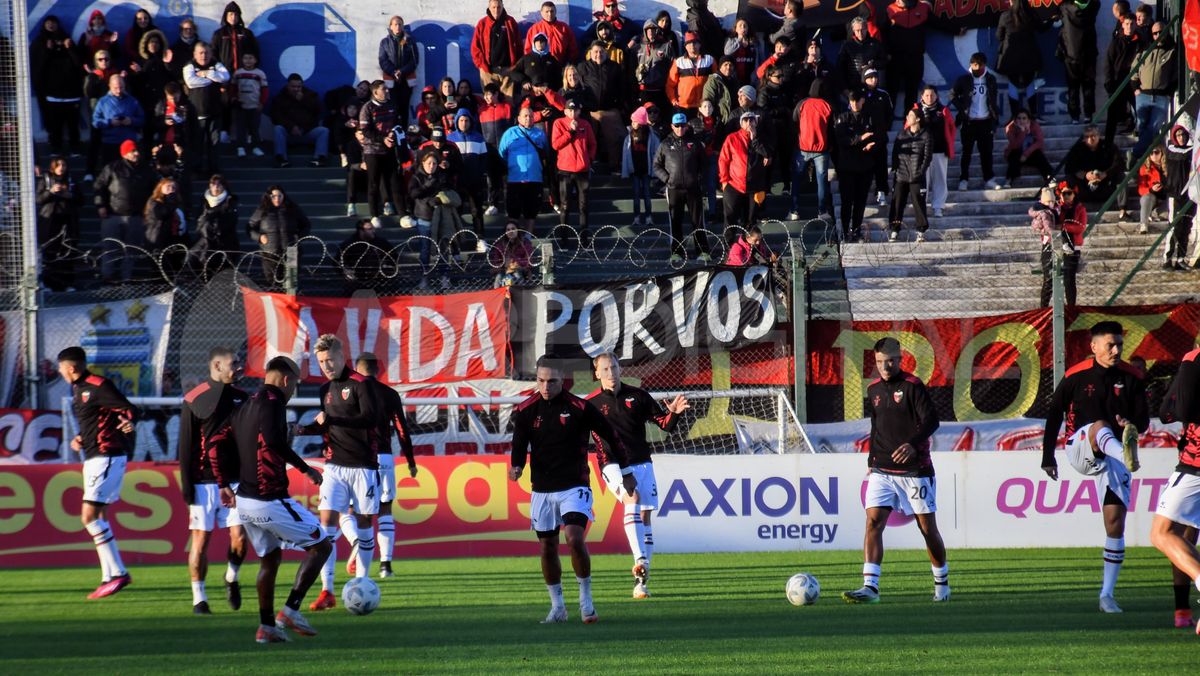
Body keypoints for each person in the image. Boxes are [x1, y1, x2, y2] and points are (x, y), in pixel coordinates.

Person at [508, 354, 634, 624]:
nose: (545, 386)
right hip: (541, 489)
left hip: (574, 485)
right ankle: (558, 607)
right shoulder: (526, 410)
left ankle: (586, 600)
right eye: (541, 381)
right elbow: (518, 444)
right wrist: (516, 466)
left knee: (574, 538)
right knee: (547, 547)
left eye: (552, 381)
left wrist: (626, 471)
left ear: (562, 381)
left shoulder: (580, 407)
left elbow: (612, 436)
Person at [215, 355, 331, 643]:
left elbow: (214, 442)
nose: (293, 391)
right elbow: (274, 441)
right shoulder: (273, 402)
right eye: (294, 385)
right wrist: (306, 469)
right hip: (268, 498)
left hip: (244, 501)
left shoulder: (245, 405)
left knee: (270, 559)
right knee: (321, 546)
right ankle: (290, 611)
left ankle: (266, 627)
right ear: (286, 380)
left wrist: (223, 483)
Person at [1041, 321, 1147, 613]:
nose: (1116, 350)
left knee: (1115, 523)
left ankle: (1106, 595)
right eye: (1110, 345)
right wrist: (1048, 456)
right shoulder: (1076, 375)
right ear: (1094, 346)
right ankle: (1124, 453)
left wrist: (1131, 424)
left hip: (1111, 458)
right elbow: (1054, 414)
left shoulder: (1132, 377)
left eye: (1120, 345)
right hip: (1080, 447)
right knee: (1100, 426)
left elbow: (1143, 421)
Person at [842, 337, 947, 605]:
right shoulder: (873, 389)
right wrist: (871, 462)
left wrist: (913, 444)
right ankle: (870, 587)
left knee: (927, 529)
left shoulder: (913, 386)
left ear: (900, 360)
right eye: (880, 362)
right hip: (881, 470)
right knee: (873, 522)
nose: (885, 367)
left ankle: (942, 584)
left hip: (915, 471)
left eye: (890, 361)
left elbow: (932, 421)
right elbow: (876, 427)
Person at [588, 353, 688, 598]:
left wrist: (674, 413)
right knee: (631, 497)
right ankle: (640, 559)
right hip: (611, 463)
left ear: (619, 369)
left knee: (645, 517)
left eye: (614, 367)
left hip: (642, 462)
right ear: (597, 373)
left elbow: (665, 424)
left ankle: (641, 582)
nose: (611, 373)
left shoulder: (639, 396)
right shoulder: (590, 404)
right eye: (605, 369)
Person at [293, 335, 381, 611]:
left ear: (342, 356)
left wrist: (332, 419)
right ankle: (327, 591)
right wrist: (305, 429)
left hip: (363, 466)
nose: (327, 366)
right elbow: (328, 425)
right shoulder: (325, 390)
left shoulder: (361, 384)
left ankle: (361, 583)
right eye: (321, 362)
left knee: (365, 524)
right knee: (326, 527)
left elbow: (370, 419)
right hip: (334, 466)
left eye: (330, 359)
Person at [58, 346, 138, 599]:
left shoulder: (98, 385)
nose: (60, 373)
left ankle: (119, 573)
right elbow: (97, 419)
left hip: (107, 457)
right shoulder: (78, 388)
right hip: (95, 457)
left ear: (71, 368)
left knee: (89, 517)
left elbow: (128, 408)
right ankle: (108, 576)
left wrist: (129, 421)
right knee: (100, 515)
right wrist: (81, 437)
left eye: (61, 368)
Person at [178, 347, 248, 615]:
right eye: (234, 363)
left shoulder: (243, 398)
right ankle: (199, 599)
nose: (239, 367)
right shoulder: (194, 399)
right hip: (203, 484)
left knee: (239, 537)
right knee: (200, 541)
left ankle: (231, 577)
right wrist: (187, 487)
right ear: (217, 366)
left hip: (236, 482)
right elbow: (186, 446)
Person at [340, 352, 417, 580]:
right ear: (378, 370)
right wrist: (411, 461)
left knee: (349, 510)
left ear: (357, 369)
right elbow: (402, 430)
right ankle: (385, 566)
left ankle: (356, 541)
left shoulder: (350, 391)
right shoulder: (389, 393)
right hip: (383, 457)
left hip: (357, 457)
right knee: (385, 509)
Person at [1151, 346, 1200, 630]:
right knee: (1185, 537)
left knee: (1163, 533)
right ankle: (1182, 611)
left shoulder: (1194, 359)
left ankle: (1183, 608)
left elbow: (1173, 411)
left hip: (1195, 462)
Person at [94, 140, 154, 282]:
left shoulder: (145, 169)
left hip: (136, 216)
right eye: (133, 151)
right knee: (110, 247)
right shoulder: (112, 168)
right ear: (124, 153)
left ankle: (126, 277)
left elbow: (153, 190)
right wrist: (100, 205)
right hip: (113, 215)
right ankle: (107, 276)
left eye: (137, 151)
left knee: (132, 249)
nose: (136, 154)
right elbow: (99, 186)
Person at [655, 112, 709, 261]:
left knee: (698, 220)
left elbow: (704, 164)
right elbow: (656, 165)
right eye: (677, 125)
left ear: (687, 126)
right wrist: (667, 179)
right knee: (675, 221)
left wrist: (698, 179)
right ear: (672, 126)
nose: (680, 128)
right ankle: (677, 253)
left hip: (693, 188)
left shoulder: (695, 143)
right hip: (674, 189)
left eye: (682, 125)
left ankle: (702, 251)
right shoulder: (665, 144)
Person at [31, 15, 84, 156]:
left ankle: (74, 147)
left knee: (73, 124)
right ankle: (56, 148)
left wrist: (69, 48)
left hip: (71, 92)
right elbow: (38, 67)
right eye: (48, 23)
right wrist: (48, 50)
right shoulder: (39, 42)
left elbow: (78, 64)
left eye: (54, 22)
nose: (51, 25)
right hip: (51, 92)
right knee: (54, 124)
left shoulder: (67, 39)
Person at [951, 52, 1000, 191]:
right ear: (971, 65)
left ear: (984, 65)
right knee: (966, 152)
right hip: (969, 121)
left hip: (985, 121)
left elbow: (993, 99)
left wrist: (995, 118)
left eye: (980, 65)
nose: (977, 68)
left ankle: (989, 179)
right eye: (974, 65)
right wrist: (962, 108)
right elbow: (952, 94)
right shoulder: (964, 79)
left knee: (986, 152)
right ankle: (963, 179)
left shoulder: (990, 79)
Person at [1129, 22, 1177, 160]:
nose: (1158, 35)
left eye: (1161, 32)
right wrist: (1135, 87)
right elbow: (1134, 68)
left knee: (1154, 127)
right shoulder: (1144, 49)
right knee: (1141, 127)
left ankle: (1135, 154)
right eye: (1155, 33)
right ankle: (1144, 161)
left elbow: (1175, 73)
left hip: (1161, 96)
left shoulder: (1172, 50)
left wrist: (1169, 92)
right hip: (1143, 94)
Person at [719, 111, 771, 236]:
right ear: (741, 123)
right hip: (734, 185)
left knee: (750, 221)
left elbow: (768, 155)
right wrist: (724, 181)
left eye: (751, 120)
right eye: (745, 120)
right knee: (730, 220)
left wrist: (755, 140)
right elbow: (723, 160)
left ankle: (748, 247)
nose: (749, 123)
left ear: (756, 122)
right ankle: (729, 246)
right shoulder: (732, 138)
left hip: (754, 187)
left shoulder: (762, 138)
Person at [358, 80, 403, 226]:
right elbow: (366, 131)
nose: (387, 91)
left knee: (395, 182)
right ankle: (375, 216)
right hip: (372, 151)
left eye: (387, 89)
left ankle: (403, 215)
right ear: (375, 92)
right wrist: (383, 139)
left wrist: (393, 135)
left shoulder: (392, 105)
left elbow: (398, 124)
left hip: (389, 149)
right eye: (384, 89)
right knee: (374, 183)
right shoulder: (367, 108)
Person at [552, 101, 597, 244]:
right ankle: (564, 240)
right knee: (565, 206)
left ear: (579, 111)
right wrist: (570, 131)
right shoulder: (558, 123)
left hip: (582, 170)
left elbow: (592, 144)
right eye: (569, 110)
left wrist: (589, 159)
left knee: (583, 206)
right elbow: (556, 145)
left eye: (575, 110)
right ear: (565, 111)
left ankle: (584, 239)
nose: (572, 113)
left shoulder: (585, 124)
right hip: (565, 170)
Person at [36, 155, 84, 291]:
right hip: (51, 221)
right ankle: (49, 283)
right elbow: (38, 199)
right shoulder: (46, 179)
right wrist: (50, 192)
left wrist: (69, 194)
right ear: (53, 167)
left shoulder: (71, 180)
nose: (61, 168)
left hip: (68, 220)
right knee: (50, 252)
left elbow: (81, 200)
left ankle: (67, 283)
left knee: (67, 251)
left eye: (63, 165)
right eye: (58, 165)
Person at [833, 90, 876, 241]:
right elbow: (842, 140)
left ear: (862, 101)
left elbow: (877, 135)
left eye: (857, 101)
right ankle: (845, 231)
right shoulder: (843, 118)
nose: (854, 104)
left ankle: (856, 230)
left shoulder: (869, 117)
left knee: (860, 201)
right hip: (847, 167)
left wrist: (871, 145)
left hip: (865, 166)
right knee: (847, 201)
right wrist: (860, 139)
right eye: (852, 101)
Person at [182, 42, 230, 174]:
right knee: (197, 144)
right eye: (201, 53)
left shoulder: (216, 64)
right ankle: (196, 170)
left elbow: (225, 77)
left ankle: (213, 171)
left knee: (214, 143)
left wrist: (206, 73)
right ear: (195, 54)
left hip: (215, 112)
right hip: (197, 114)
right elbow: (191, 82)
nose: (204, 56)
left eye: (207, 53)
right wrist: (212, 79)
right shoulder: (190, 65)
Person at [247, 185, 311, 284]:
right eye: (273, 196)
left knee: (291, 284)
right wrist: (259, 237)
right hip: (270, 253)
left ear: (283, 196)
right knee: (273, 283)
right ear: (269, 197)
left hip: (291, 251)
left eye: (279, 196)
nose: (277, 199)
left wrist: (299, 236)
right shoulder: (262, 210)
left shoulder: (292, 209)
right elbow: (250, 227)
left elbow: (306, 225)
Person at [996, 0, 1047, 122]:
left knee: (1012, 84)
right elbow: (1042, 29)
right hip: (1029, 56)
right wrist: (1052, 20)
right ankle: (1034, 114)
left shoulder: (1005, 16)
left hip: (1010, 57)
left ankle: (1014, 116)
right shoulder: (1030, 14)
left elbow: (999, 36)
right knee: (1030, 84)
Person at [791, 79, 834, 223]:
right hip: (821, 148)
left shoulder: (802, 104)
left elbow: (794, 121)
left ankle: (794, 210)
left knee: (796, 179)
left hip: (802, 147)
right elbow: (831, 128)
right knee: (821, 181)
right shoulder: (827, 105)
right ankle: (822, 210)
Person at [1063, 125, 1127, 216]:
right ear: (1084, 138)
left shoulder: (1109, 147)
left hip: (1106, 186)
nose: (1090, 139)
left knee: (1122, 176)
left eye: (1093, 136)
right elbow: (1069, 168)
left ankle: (1123, 211)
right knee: (1068, 179)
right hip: (1084, 188)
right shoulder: (1077, 149)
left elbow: (1119, 164)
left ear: (1098, 135)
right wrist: (1085, 175)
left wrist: (1106, 174)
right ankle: (1069, 211)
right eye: (1087, 136)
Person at [888, 109, 932, 242]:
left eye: (911, 115)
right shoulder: (901, 134)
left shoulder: (926, 135)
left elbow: (927, 157)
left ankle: (921, 231)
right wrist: (896, 169)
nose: (908, 117)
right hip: (901, 175)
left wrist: (920, 171)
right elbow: (895, 153)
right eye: (907, 115)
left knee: (919, 203)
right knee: (897, 203)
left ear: (918, 119)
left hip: (917, 176)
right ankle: (894, 229)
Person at [448, 109, 490, 247]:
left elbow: (484, 158)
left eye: (466, 120)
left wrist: (480, 173)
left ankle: (481, 238)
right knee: (456, 211)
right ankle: (455, 240)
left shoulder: (478, 137)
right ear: (457, 122)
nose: (464, 123)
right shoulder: (450, 138)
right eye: (461, 120)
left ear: (471, 122)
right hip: (457, 182)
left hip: (474, 181)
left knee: (476, 211)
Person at [270, 74, 330, 168]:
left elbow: (317, 112)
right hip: (289, 134)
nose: (296, 89)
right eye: (293, 86)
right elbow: (276, 117)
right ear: (288, 85)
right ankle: (281, 159)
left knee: (323, 131)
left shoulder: (310, 95)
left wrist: (304, 100)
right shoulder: (279, 98)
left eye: (298, 87)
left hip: (306, 132)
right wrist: (291, 127)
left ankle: (319, 159)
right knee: (278, 129)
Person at [915, 85, 956, 218]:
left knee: (940, 180)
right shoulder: (916, 110)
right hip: (921, 152)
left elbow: (951, 128)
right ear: (922, 96)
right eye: (926, 95)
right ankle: (922, 207)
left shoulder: (943, 110)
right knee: (923, 181)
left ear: (937, 96)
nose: (929, 98)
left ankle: (938, 207)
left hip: (939, 151)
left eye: (932, 95)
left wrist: (949, 145)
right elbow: (908, 127)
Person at [1058, 0, 1100, 124]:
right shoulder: (1093, 6)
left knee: (1073, 87)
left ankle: (1074, 116)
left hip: (1071, 54)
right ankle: (1088, 114)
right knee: (1089, 86)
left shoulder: (1065, 7)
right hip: (1089, 53)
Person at [1102, 14, 1141, 143]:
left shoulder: (1141, 42)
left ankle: (1142, 144)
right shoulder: (1116, 42)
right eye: (1127, 24)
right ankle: (1108, 144)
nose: (1129, 27)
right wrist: (1109, 82)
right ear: (1123, 25)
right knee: (1112, 116)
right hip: (1118, 82)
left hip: (1134, 82)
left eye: (1132, 24)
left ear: (1136, 25)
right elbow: (1108, 63)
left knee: (1140, 113)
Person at [886, 0, 930, 112]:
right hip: (895, 59)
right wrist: (886, 52)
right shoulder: (891, 9)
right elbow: (882, 31)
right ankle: (887, 121)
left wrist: (957, 30)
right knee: (892, 91)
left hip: (915, 58)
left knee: (912, 92)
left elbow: (938, 23)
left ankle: (910, 121)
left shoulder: (923, 8)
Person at [91, 74, 144, 167]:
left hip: (128, 141)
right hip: (109, 142)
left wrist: (131, 121)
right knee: (110, 169)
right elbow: (95, 121)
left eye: (121, 87)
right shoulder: (102, 102)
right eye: (115, 88)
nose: (119, 91)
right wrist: (109, 122)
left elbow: (142, 119)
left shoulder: (133, 101)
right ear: (109, 86)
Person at [471, 0, 521, 95]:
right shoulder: (482, 23)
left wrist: (515, 66)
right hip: (488, 71)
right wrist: (482, 65)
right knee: (490, 100)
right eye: (493, 7)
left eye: (499, 7)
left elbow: (519, 45)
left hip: (507, 70)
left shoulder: (510, 22)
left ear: (502, 6)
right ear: (489, 8)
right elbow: (475, 47)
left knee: (508, 100)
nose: (496, 10)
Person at [378, 16, 420, 126]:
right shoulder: (385, 42)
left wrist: (402, 71)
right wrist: (393, 72)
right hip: (391, 81)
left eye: (400, 24)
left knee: (404, 109)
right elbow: (383, 60)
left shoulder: (409, 41)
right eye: (395, 24)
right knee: (392, 108)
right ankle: (393, 132)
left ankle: (403, 133)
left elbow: (414, 60)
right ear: (391, 26)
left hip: (406, 80)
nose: (398, 27)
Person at [622, 106, 660, 227]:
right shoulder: (629, 136)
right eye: (632, 121)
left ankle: (649, 217)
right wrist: (626, 170)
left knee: (647, 194)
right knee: (636, 194)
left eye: (635, 121)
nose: (633, 123)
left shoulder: (650, 135)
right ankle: (636, 217)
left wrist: (655, 170)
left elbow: (657, 152)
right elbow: (625, 155)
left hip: (646, 170)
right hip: (635, 170)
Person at [1052, 181, 1087, 306]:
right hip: (1057, 245)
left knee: (1069, 278)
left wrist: (1064, 226)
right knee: (1051, 279)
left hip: (1073, 247)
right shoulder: (1057, 208)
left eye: (1069, 193)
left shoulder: (1080, 208)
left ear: (1074, 194)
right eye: (1064, 193)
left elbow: (1081, 227)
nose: (1066, 196)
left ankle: (1071, 306)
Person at [862, 69, 894, 206]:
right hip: (864, 139)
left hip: (880, 137)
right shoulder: (860, 94)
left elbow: (889, 114)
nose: (873, 80)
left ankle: (881, 192)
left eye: (875, 77)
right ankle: (863, 193)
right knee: (865, 168)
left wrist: (883, 129)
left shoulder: (883, 94)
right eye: (870, 78)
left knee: (881, 167)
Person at [1164, 125, 1193, 270]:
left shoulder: (1191, 151)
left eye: (1183, 135)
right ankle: (1167, 258)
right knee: (1174, 226)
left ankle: (1181, 257)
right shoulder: (1171, 149)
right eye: (1178, 135)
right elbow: (1181, 156)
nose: (1181, 138)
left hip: (1190, 194)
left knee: (1186, 226)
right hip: (1175, 194)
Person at [191, 174, 240, 261]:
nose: (216, 187)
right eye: (213, 184)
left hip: (224, 240)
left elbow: (230, 220)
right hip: (205, 238)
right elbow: (199, 218)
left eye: (219, 184)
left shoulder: (230, 201)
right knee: (192, 258)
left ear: (224, 186)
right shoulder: (204, 201)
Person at [1003, 109, 1054, 189]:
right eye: (1019, 118)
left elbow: (1040, 142)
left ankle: (1049, 177)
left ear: (1028, 119)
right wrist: (1022, 131)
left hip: (1030, 154)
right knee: (1014, 154)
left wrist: (1026, 154)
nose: (1021, 121)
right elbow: (1014, 145)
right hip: (1017, 154)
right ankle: (1009, 179)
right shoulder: (1010, 128)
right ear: (1015, 119)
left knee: (1038, 154)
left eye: (1024, 118)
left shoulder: (1034, 125)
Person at [231, 51, 268, 158]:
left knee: (254, 127)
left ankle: (255, 147)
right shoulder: (237, 73)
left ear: (255, 60)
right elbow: (233, 87)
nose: (248, 61)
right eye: (245, 58)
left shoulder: (260, 73)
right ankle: (240, 147)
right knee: (240, 128)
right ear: (242, 60)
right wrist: (233, 98)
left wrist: (262, 103)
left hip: (255, 105)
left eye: (251, 58)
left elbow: (264, 90)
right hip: (241, 105)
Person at [666, 33, 713, 118]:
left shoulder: (709, 60)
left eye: (695, 42)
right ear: (685, 46)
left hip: (704, 106)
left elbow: (716, 82)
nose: (692, 45)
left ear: (699, 44)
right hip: (684, 106)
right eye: (689, 43)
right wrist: (673, 100)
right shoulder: (678, 62)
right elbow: (670, 84)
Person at [636, 19, 675, 113]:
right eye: (648, 30)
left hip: (660, 89)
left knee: (661, 116)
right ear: (645, 31)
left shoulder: (666, 46)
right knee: (645, 117)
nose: (651, 32)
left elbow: (673, 68)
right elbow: (632, 69)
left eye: (653, 29)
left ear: (657, 30)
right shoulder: (638, 48)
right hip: (644, 90)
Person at [837, 17, 885, 92]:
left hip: (871, 85)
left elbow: (884, 61)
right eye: (857, 30)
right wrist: (845, 88)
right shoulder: (847, 45)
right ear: (853, 30)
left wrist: (872, 64)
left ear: (866, 29)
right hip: (853, 85)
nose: (860, 33)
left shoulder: (875, 44)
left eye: (862, 30)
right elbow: (840, 68)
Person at [1030, 186, 1060, 308]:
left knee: (1052, 278)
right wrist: (1055, 233)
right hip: (1050, 243)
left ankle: (1046, 306)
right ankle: (1044, 306)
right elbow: (1048, 228)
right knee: (1049, 277)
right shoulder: (1045, 213)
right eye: (1048, 201)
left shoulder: (1052, 211)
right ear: (1043, 202)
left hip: (1052, 242)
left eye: (1052, 201)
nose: (1051, 203)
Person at [489, 221, 535, 286]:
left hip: (520, 270)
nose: (511, 231)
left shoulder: (525, 243)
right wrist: (504, 265)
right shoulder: (500, 245)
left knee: (517, 275)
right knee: (499, 277)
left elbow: (529, 260)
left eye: (513, 229)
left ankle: (518, 291)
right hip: (504, 270)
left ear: (518, 230)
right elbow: (495, 262)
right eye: (508, 230)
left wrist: (516, 263)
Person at [1137, 146, 1167, 234]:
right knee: (1146, 198)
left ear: (1161, 153)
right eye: (1151, 153)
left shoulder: (1168, 166)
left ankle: (1154, 214)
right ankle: (1144, 224)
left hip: (1166, 197)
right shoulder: (1145, 167)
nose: (1154, 155)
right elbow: (1141, 189)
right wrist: (1151, 189)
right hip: (1152, 197)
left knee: (1173, 203)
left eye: (1156, 152)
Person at [723, 18, 757, 87]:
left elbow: (757, 59)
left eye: (745, 26)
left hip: (750, 77)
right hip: (735, 77)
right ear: (736, 29)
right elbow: (727, 52)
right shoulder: (731, 40)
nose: (743, 27)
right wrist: (739, 40)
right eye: (740, 26)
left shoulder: (753, 42)